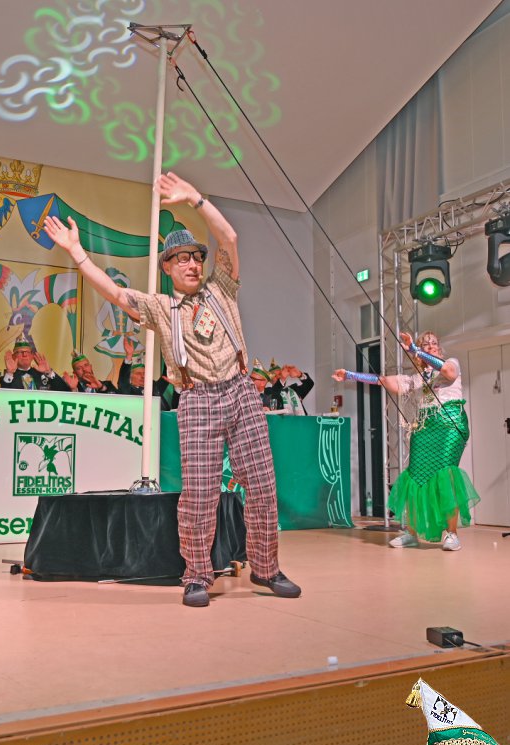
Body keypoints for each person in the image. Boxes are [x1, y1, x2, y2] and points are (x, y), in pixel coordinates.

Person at [44, 171, 301, 608]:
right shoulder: (162, 308)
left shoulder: (222, 288)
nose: (192, 264)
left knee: (261, 487)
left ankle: (266, 567)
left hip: (241, 392)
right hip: (197, 400)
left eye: (196, 257)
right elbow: (116, 294)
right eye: (181, 259)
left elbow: (230, 237)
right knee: (199, 495)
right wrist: (78, 254)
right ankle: (197, 575)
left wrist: (195, 198)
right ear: (167, 267)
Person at [333, 330, 480, 551]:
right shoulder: (416, 379)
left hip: (450, 424)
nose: (431, 346)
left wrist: (415, 349)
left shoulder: (451, 363)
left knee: (447, 475)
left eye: (434, 343)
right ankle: (411, 533)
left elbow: (448, 373)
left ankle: (451, 534)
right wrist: (350, 375)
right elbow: (383, 380)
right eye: (426, 344)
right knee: (415, 477)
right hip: (424, 427)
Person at [118, 336, 179, 409]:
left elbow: (167, 375)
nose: (143, 376)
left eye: (145, 373)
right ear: (130, 377)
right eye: (138, 373)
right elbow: (123, 380)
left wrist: (169, 353)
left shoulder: (154, 387)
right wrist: (129, 356)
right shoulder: (127, 390)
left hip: (164, 415)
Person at [1, 336, 70, 391]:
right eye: (20, 352)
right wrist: (9, 373)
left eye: (27, 352)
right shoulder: (7, 378)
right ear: (13, 356)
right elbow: (3, 396)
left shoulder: (43, 375)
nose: (24, 355)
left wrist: (49, 372)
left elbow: (64, 390)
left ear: (32, 356)